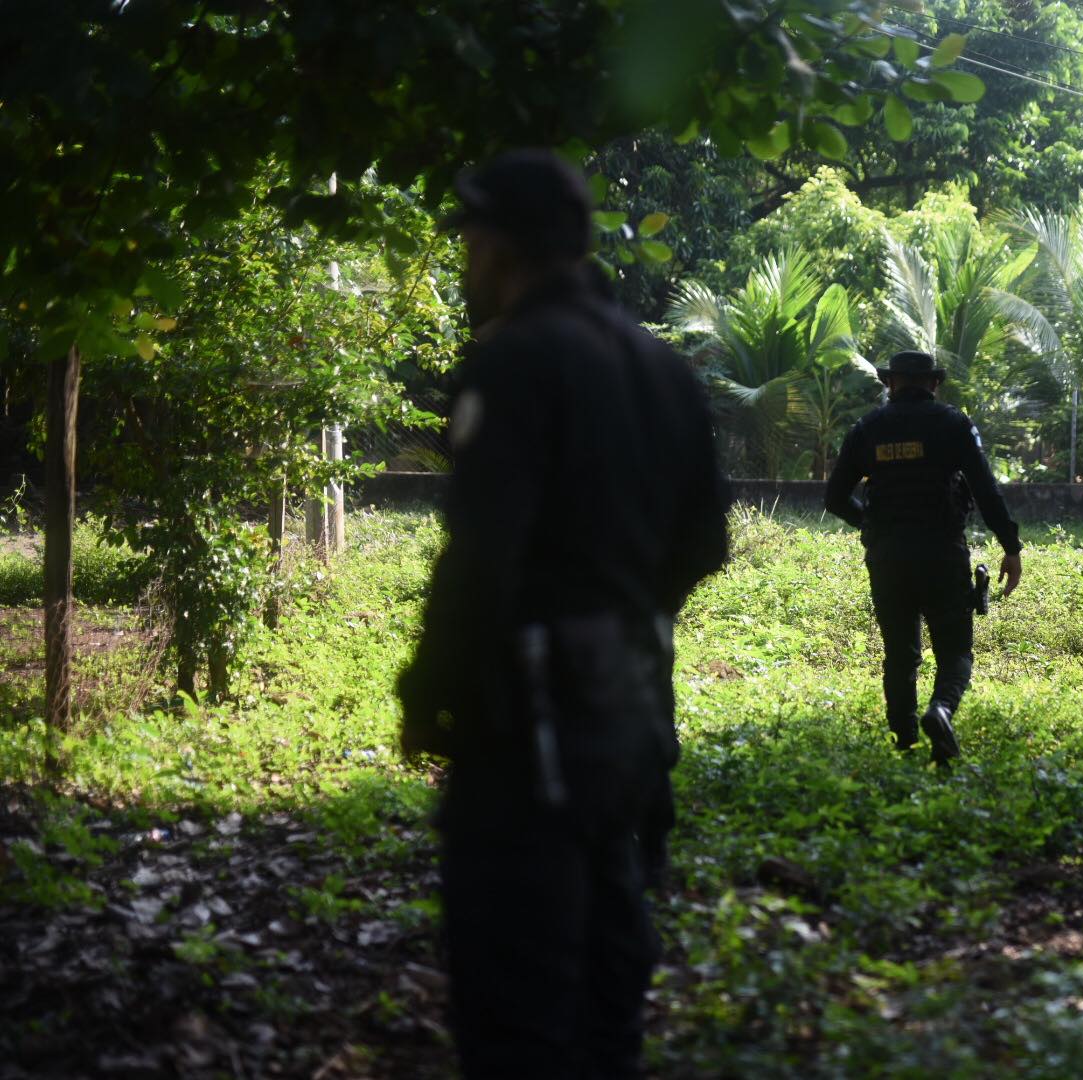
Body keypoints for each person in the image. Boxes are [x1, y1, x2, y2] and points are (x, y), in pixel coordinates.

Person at [395, 148, 729, 1078]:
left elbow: (482, 556)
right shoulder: (663, 367)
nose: (468, 259)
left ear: (500, 245)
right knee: (608, 967)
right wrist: (626, 620)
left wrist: (432, 693)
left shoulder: (515, 361)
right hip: (633, 710)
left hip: (525, 722)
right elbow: (706, 544)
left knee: (516, 990)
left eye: (470, 240)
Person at [823, 350, 1022, 765]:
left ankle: (904, 742)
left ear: (890, 383)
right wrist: (1010, 546)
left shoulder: (867, 428)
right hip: (942, 554)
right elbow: (986, 490)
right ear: (933, 383)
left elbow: (834, 497)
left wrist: (872, 526)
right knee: (955, 653)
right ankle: (942, 711)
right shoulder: (953, 424)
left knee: (900, 654)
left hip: (888, 556)